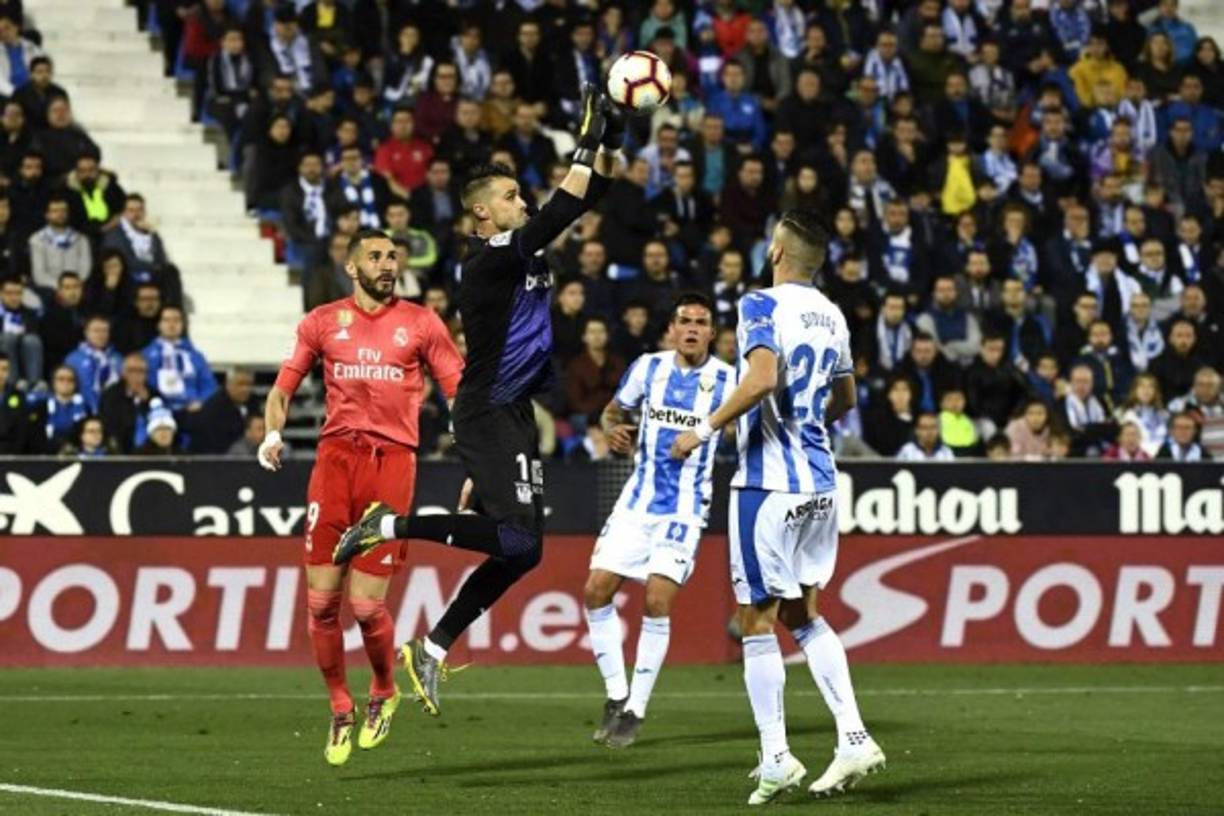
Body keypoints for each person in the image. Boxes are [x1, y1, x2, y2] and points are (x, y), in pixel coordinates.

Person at [331, 86, 624, 719]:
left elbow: (593, 192)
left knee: (522, 549)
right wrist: (587, 137)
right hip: (489, 410)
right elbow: (564, 206)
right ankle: (389, 526)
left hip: (508, 413)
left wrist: (615, 133)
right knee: (519, 542)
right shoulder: (487, 260)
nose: (524, 201)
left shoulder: (519, 251)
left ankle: (432, 648)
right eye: (512, 196)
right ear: (483, 216)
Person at [670, 211, 884, 803]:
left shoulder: (760, 305)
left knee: (755, 621)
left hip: (768, 485)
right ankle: (853, 737)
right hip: (819, 481)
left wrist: (704, 430)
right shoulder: (833, 314)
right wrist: (804, 422)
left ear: (775, 252)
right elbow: (844, 398)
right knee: (803, 615)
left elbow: (762, 377)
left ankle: (776, 756)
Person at [257, 228, 465, 766]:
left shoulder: (422, 323)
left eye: (393, 256)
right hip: (334, 464)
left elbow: (457, 391)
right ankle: (339, 705)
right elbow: (283, 388)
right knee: (322, 603)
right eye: (375, 256)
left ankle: (383, 690)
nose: (387, 264)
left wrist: (477, 458)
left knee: (366, 606)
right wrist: (273, 433)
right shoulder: (323, 321)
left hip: (391, 465)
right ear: (352, 267)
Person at [583, 293, 733, 748]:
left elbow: (754, 429)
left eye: (700, 322)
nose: (691, 328)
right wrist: (613, 431)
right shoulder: (648, 368)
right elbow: (612, 411)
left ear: (712, 332)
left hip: (685, 509)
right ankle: (616, 694)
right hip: (636, 500)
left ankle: (636, 710)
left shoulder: (730, 381)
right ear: (672, 328)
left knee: (656, 599)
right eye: (684, 321)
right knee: (595, 591)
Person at [141, 306, 217, 414]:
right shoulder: (146, 355)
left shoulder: (195, 355)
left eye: (176, 320)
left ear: (183, 324)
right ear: (159, 324)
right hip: (157, 410)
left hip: (192, 410)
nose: (172, 325)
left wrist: (201, 401)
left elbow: (209, 385)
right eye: (167, 320)